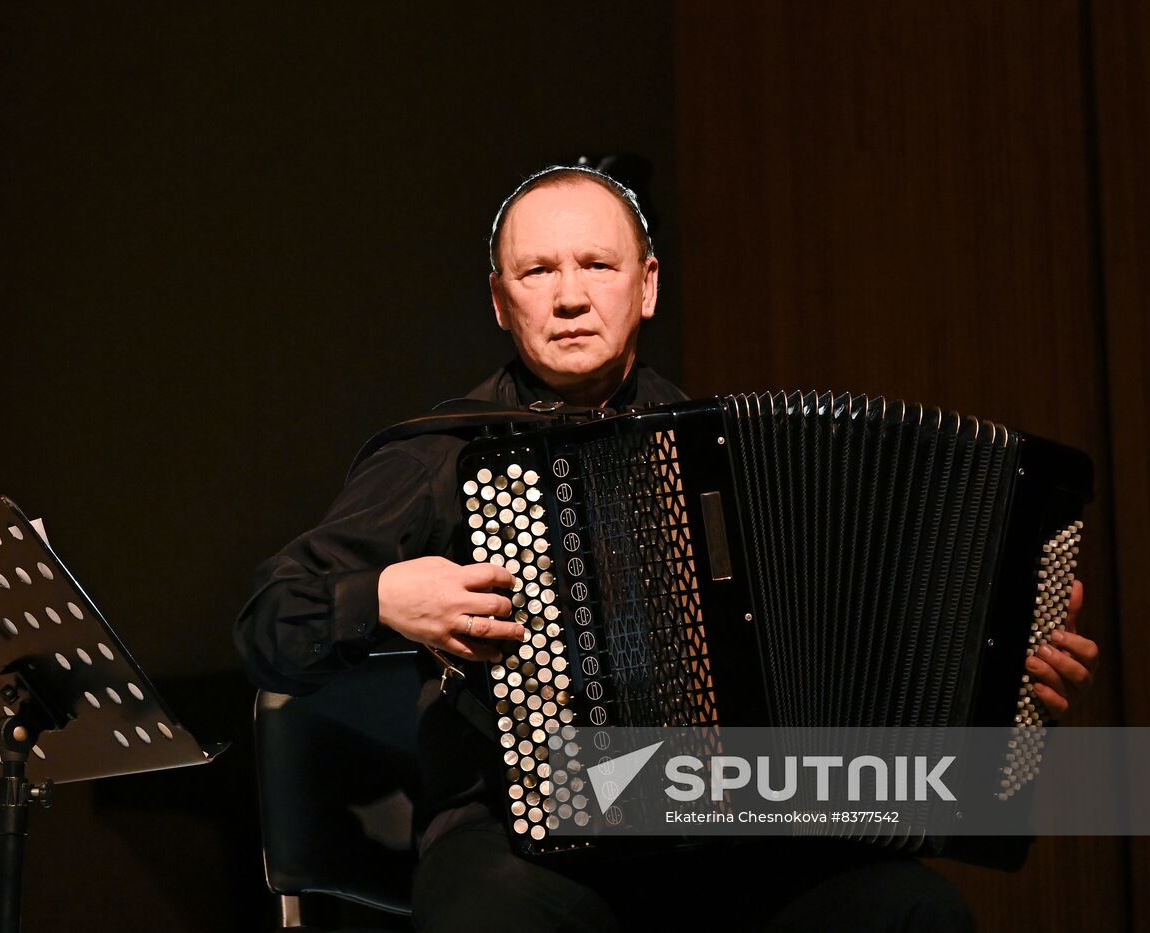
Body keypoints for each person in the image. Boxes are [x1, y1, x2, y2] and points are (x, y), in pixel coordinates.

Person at [233, 165, 1100, 931]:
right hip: (524, 843)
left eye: (597, 266)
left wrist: (998, 686)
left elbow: (858, 640)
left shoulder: (726, 456)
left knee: (911, 908)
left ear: (645, 286)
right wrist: (382, 598)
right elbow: (267, 623)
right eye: (539, 271)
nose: (570, 296)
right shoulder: (436, 455)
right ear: (501, 301)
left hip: (727, 834)